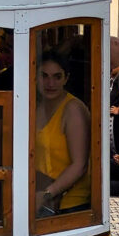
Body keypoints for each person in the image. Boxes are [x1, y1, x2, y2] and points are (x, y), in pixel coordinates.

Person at [34, 50, 91, 215]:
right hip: (41, 198)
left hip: (67, 206)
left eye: (57, 76)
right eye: (44, 76)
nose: (50, 83)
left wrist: (47, 194)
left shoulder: (73, 110)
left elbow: (79, 165)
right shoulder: (37, 106)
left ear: (66, 78)